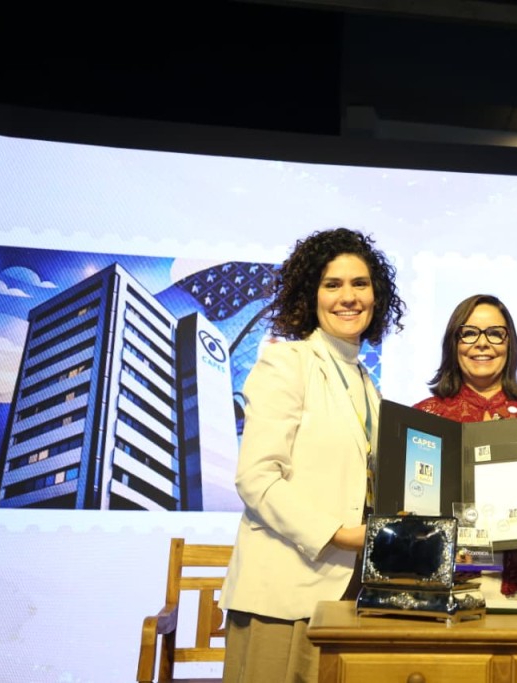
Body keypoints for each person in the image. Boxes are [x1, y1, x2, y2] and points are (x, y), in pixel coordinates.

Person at [220, 227, 405, 683]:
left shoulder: (366, 382)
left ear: (376, 296)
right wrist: (338, 534)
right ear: (311, 295)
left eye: (360, 284)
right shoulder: (287, 362)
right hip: (283, 594)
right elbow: (257, 479)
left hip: (350, 591)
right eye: (332, 284)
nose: (349, 297)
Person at [413, 294, 517, 599]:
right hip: (442, 592)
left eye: (494, 333)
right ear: (453, 343)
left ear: (509, 343)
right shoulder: (425, 417)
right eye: (469, 333)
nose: (482, 343)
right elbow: (409, 508)